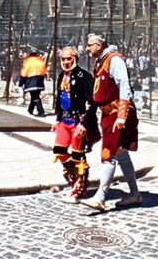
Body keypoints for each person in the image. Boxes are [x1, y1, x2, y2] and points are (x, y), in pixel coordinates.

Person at [80, 34, 141, 212]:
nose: (87, 48)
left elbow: (124, 86)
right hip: (108, 115)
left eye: (90, 45)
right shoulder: (101, 61)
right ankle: (135, 194)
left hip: (117, 114)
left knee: (109, 155)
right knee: (121, 155)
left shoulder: (114, 60)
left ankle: (100, 197)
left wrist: (122, 116)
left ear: (99, 45)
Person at [52, 47, 98, 203]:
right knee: (59, 150)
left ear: (75, 59)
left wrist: (84, 124)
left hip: (79, 122)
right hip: (64, 121)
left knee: (78, 154)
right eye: (63, 59)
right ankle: (73, 175)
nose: (65, 62)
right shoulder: (60, 76)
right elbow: (59, 100)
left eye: (68, 59)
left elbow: (93, 102)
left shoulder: (85, 77)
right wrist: (57, 120)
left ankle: (80, 185)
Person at [21, 50, 48, 117]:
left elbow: (24, 73)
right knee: (34, 96)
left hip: (31, 81)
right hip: (40, 81)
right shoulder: (40, 61)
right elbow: (44, 72)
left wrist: (21, 82)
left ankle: (41, 111)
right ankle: (30, 110)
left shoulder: (28, 62)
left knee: (35, 97)